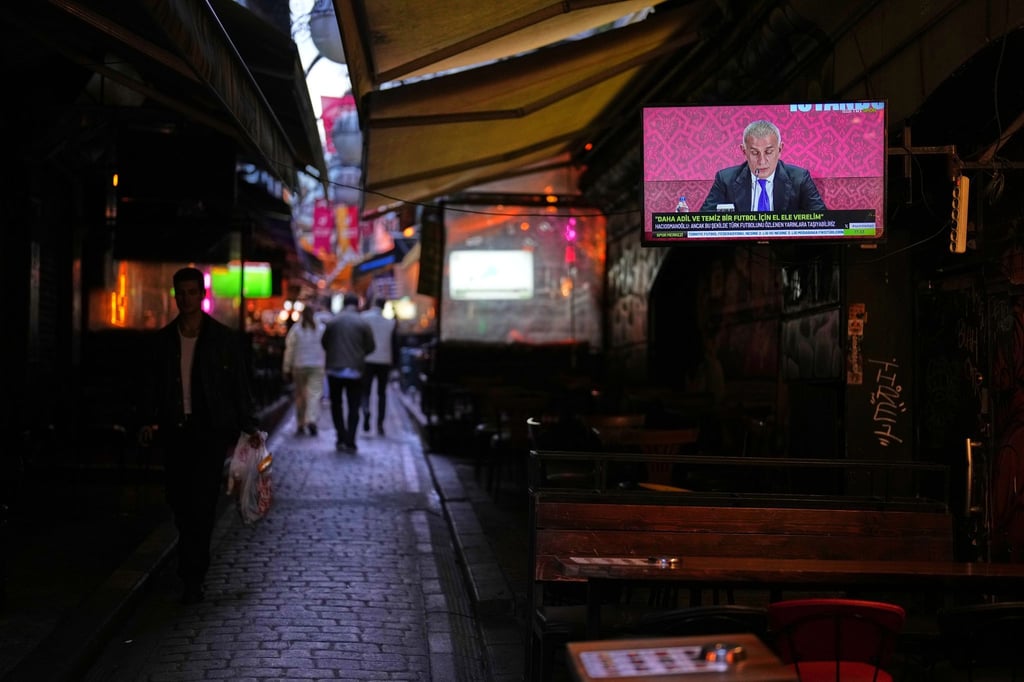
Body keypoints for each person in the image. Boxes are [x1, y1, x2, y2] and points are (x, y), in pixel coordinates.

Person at [137, 267, 260, 604]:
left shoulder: (222, 340)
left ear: (201, 295)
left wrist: (249, 426)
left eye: (193, 292)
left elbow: (238, 384)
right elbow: (153, 385)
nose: (187, 299)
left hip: (209, 430)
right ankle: (191, 559)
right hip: (176, 430)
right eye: (182, 293)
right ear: (175, 295)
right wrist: (149, 420)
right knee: (179, 499)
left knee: (203, 502)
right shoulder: (164, 341)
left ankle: (194, 575)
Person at [699, 120, 826, 212]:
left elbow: (822, 220)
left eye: (768, 152)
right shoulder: (725, 180)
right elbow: (704, 221)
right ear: (744, 152)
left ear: (780, 149)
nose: (762, 161)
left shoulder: (800, 179)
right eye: (754, 153)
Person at [322, 293, 375, 452]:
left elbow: (324, 342)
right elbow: (371, 346)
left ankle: (341, 437)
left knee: (336, 405)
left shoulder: (333, 321)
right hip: (355, 370)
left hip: (334, 369)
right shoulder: (362, 322)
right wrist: (359, 354)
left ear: (343, 304)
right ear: (357, 304)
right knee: (354, 406)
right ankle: (351, 440)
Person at [282, 305, 326, 437]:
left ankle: (301, 422)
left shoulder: (296, 329)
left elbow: (289, 349)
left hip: (299, 365)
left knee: (300, 395)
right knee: (314, 394)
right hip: (317, 365)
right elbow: (326, 348)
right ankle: (311, 419)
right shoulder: (321, 329)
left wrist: (286, 367)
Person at [360, 298, 398, 436]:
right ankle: (380, 423)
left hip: (367, 359)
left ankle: (366, 411)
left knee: (366, 391)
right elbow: (395, 344)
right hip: (384, 360)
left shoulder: (364, 318)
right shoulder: (390, 322)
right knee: (382, 394)